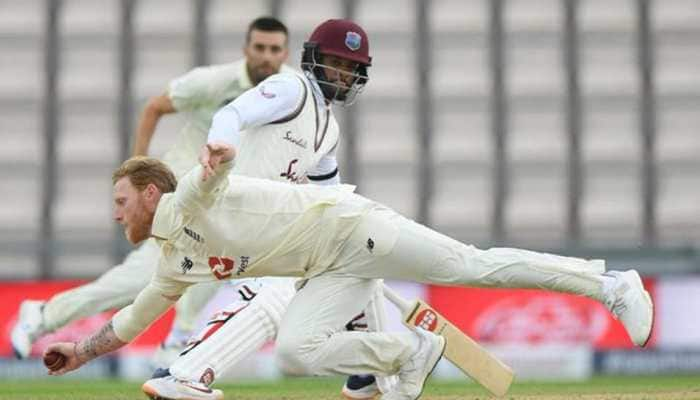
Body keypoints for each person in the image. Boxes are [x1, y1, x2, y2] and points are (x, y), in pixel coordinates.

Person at [45, 141, 654, 400]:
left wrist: (219, 159)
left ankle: (609, 284)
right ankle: (407, 354)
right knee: (294, 353)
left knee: (475, 268)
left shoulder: (184, 202)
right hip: (327, 268)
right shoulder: (172, 258)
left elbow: (208, 182)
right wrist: (80, 352)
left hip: (354, 228)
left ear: (151, 194)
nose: (116, 213)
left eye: (122, 200)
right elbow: (130, 322)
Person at [11, 16, 291, 366]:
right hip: (180, 197)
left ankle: (175, 343)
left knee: (216, 264)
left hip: (221, 201)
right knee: (140, 282)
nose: (266, 56)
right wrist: (137, 170)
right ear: (246, 49)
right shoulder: (214, 81)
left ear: (285, 52)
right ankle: (44, 314)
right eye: (259, 48)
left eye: (274, 49)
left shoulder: (287, 91)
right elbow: (154, 107)